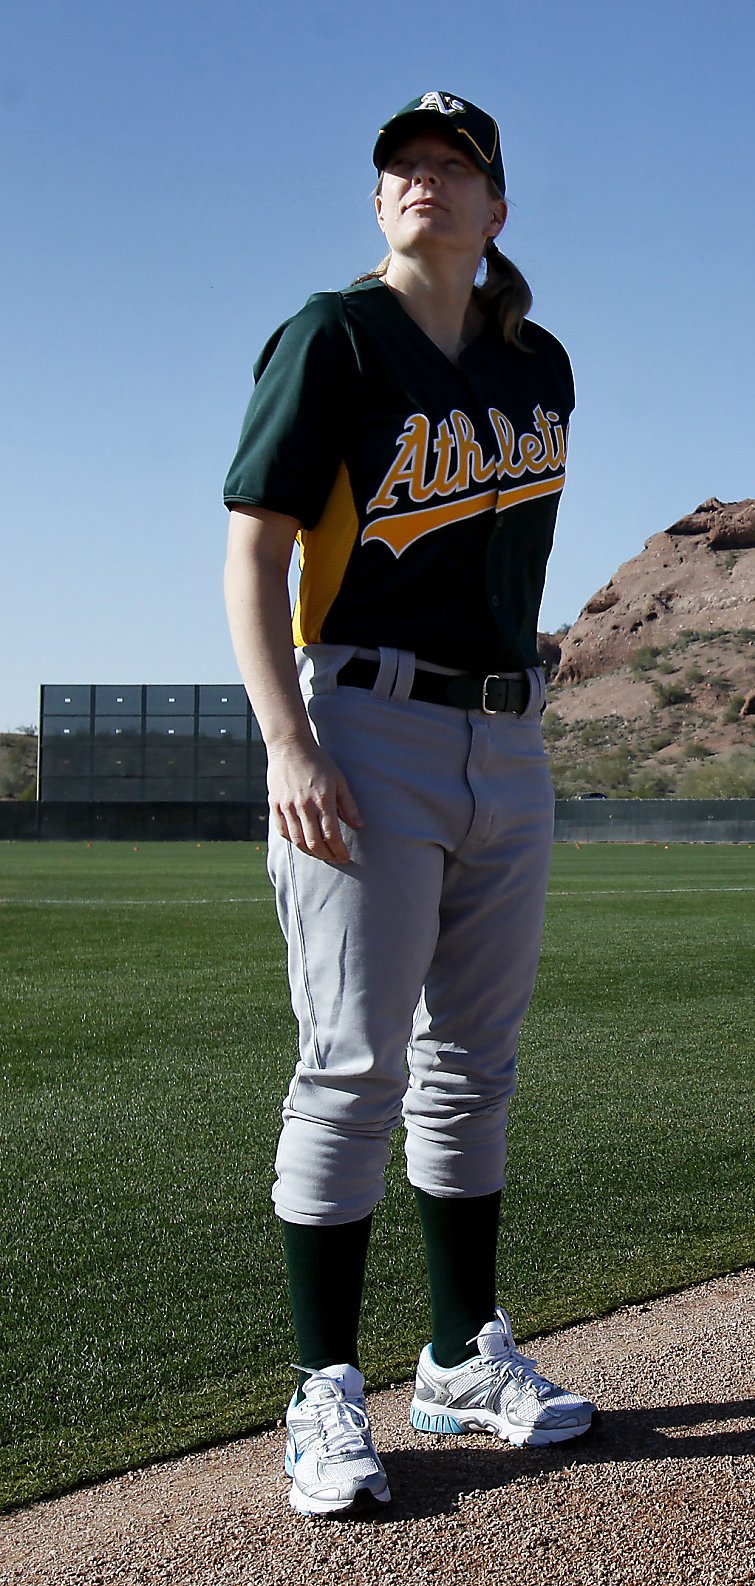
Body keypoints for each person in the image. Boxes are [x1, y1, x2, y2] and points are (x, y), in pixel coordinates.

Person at [223, 91, 593, 1519]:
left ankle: (457, 1355)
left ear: (498, 208)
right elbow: (253, 554)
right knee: (352, 1061)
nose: (421, 181)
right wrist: (288, 743)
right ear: (381, 203)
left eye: (452, 166)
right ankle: (325, 1388)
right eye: (402, 168)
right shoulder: (332, 336)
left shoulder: (541, 365)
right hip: (361, 721)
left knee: (473, 1064)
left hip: (505, 735)